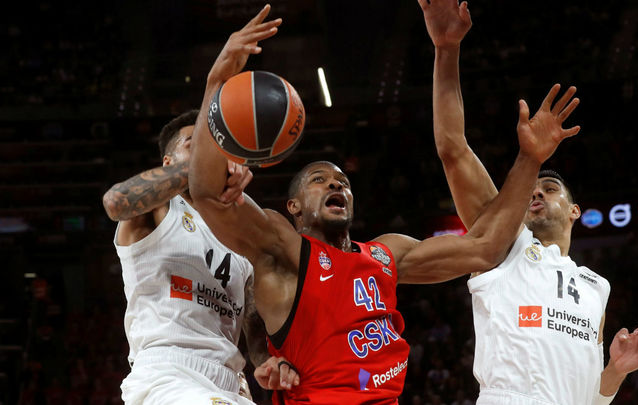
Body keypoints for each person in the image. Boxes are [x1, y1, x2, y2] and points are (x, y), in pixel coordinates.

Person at [188, 5, 581, 405]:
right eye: (319, 180)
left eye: (343, 182)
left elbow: (485, 248)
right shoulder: (282, 248)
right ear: (294, 207)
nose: (335, 184)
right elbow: (205, 193)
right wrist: (216, 82)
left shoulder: (386, 254)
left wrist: (529, 158)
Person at [417, 0, 638, 404]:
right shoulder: (502, 242)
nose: (536, 192)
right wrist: (446, 50)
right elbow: (453, 149)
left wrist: (615, 371)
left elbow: (590, 399)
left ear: (575, 211)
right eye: (534, 187)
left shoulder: (597, 287)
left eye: (549, 187)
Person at [102, 107, 296, 403]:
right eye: (196, 145)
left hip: (230, 380)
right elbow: (117, 201)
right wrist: (201, 167)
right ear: (168, 163)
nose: (210, 153)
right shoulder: (160, 209)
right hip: (168, 373)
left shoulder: (241, 227)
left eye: (217, 148)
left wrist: (266, 360)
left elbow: (250, 321)